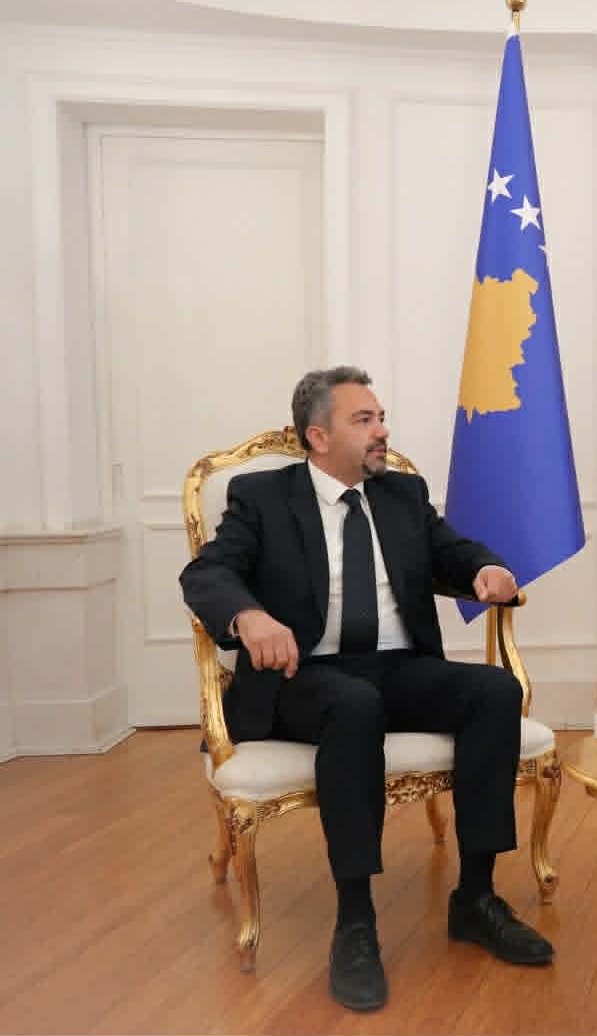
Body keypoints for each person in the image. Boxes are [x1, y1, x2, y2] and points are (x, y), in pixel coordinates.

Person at [180, 366, 553, 1012]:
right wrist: (249, 616)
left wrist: (486, 568)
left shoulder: (402, 493)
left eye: (381, 418)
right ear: (318, 437)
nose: (382, 431)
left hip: (395, 666)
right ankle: (355, 923)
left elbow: (451, 552)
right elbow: (206, 574)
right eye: (364, 420)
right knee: (354, 707)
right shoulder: (262, 497)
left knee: (493, 692)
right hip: (302, 675)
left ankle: (476, 898)